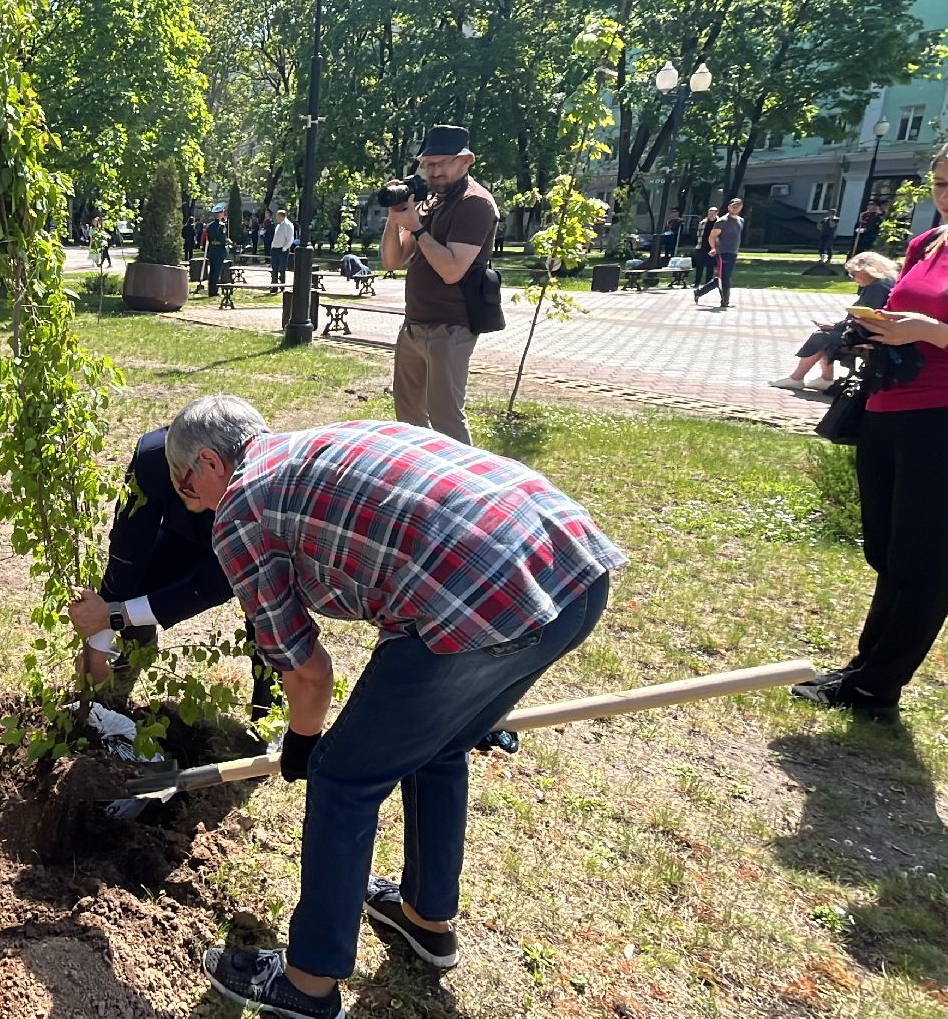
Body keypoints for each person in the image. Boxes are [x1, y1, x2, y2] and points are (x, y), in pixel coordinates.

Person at [168, 397, 625, 1019]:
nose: (187, 497)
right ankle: (425, 918)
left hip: (483, 597)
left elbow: (305, 669)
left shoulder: (242, 507)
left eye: (185, 483)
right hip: (573, 566)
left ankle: (307, 981)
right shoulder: (324, 441)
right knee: (437, 745)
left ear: (209, 461)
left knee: (343, 778)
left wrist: (305, 745)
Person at [792, 118, 948, 718]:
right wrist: (870, 332)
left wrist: (938, 333)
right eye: (939, 183)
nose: (945, 198)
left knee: (921, 560)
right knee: (886, 551)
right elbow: (901, 313)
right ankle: (863, 666)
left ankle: (876, 687)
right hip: (889, 408)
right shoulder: (933, 241)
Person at [62, 427, 279, 723]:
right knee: (136, 585)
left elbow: (212, 584)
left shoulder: (262, 488)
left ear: (214, 465)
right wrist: (100, 643)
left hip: (252, 552)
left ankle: (269, 724)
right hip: (185, 536)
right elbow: (130, 543)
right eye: (178, 482)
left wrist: (115, 615)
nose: (182, 488)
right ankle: (117, 683)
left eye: (187, 485)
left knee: (271, 628)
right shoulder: (153, 456)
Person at [377, 124, 499, 445]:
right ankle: (422, 484)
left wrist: (416, 227)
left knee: (446, 418)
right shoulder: (432, 201)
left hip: (451, 328)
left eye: (442, 163)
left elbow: (452, 270)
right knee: (409, 416)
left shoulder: (475, 203)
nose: (434, 171)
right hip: (414, 325)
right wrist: (395, 218)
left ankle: (462, 487)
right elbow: (392, 261)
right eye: (428, 164)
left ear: (465, 161)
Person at [769, 251, 898, 391]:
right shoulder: (885, 283)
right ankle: (825, 379)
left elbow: (865, 316)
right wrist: (837, 326)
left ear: (867, 270)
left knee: (820, 336)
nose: (853, 279)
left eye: (854, 274)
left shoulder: (877, 287)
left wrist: (836, 326)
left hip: (869, 335)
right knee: (826, 336)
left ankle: (797, 378)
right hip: (875, 331)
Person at [694, 197, 744, 308]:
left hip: (733, 253)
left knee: (721, 278)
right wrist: (714, 248)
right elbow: (712, 237)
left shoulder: (740, 220)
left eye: (738, 206)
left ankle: (699, 292)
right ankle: (725, 301)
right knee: (724, 278)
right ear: (729, 207)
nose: (735, 208)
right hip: (723, 253)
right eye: (733, 205)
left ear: (741, 207)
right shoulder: (722, 221)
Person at [204, 203, 230, 298]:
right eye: (222, 212)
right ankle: (214, 290)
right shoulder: (221, 226)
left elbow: (209, 239)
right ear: (219, 214)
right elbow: (223, 240)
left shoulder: (209, 226)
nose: (223, 213)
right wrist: (228, 242)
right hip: (219, 251)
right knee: (217, 271)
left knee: (212, 271)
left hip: (212, 250)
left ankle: (211, 289)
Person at [691, 206, 719, 288]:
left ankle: (708, 283)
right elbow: (698, 235)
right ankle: (697, 282)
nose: (711, 215)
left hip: (713, 247)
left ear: (716, 213)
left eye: (713, 213)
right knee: (699, 265)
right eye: (709, 213)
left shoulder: (719, 223)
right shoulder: (703, 223)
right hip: (702, 247)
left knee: (710, 266)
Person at [270, 208, 295, 286]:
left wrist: (284, 248)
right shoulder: (278, 225)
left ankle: (282, 285)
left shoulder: (288, 225)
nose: (276, 218)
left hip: (282, 250)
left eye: (277, 216)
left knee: (282, 269)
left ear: (281, 216)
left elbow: (290, 238)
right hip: (275, 249)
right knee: (274, 269)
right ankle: (274, 285)